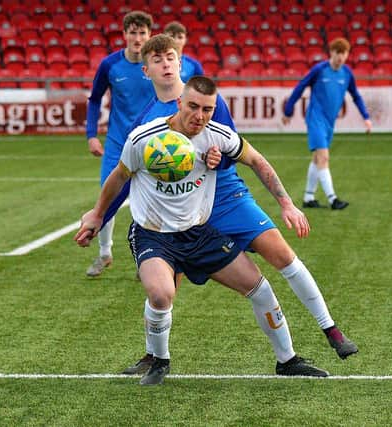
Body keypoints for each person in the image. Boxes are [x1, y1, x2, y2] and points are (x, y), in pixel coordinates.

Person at [99, 35, 357, 376]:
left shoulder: (205, 100)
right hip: (175, 216)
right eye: (157, 60)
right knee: (163, 291)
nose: (165, 64)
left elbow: (234, 148)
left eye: (171, 57)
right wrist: (99, 215)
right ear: (145, 70)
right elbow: (124, 175)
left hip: (224, 197)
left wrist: (282, 200)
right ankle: (155, 357)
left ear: (181, 63)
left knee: (278, 255)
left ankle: (326, 332)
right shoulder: (146, 125)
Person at [84, 11, 156, 276]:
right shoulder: (110, 65)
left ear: (149, 35)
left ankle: (147, 259)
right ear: (124, 34)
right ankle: (104, 254)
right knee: (108, 194)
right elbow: (94, 99)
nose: (137, 38)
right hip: (117, 145)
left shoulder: (156, 64)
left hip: (151, 145)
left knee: (150, 203)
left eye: (142, 33)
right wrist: (92, 134)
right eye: (133, 32)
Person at [282, 37, 372, 210]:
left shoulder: (346, 73)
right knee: (323, 157)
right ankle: (333, 199)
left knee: (317, 159)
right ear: (331, 53)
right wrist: (288, 110)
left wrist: (366, 117)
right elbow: (301, 86)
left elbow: (356, 96)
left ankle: (308, 198)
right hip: (316, 118)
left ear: (347, 55)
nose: (340, 57)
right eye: (338, 53)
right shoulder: (320, 69)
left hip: (330, 122)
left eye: (344, 53)